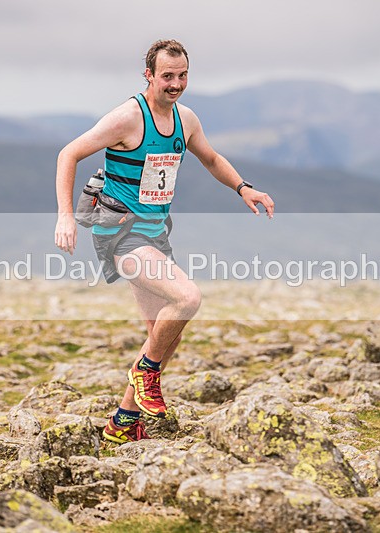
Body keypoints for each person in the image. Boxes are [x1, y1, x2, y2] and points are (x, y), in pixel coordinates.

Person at [54, 39, 275, 443]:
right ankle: (144, 372)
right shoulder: (127, 118)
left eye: (182, 75)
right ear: (149, 76)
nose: (175, 84)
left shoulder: (185, 119)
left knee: (164, 333)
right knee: (187, 299)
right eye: (167, 76)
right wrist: (65, 216)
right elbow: (69, 153)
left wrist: (243, 187)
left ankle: (123, 421)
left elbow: (209, 158)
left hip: (155, 233)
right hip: (120, 232)